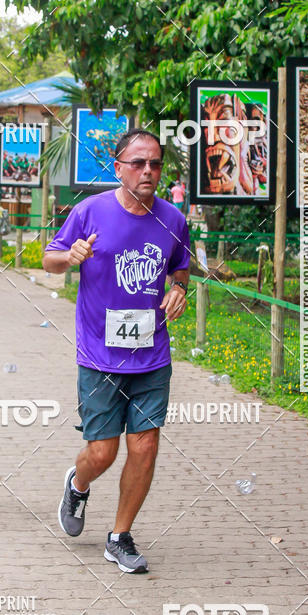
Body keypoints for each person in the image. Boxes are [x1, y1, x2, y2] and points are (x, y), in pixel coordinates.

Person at [44, 128, 190, 574]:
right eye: (139, 163)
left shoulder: (173, 220)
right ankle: (79, 482)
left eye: (156, 164)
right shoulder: (91, 211)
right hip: (99, 356)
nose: (149, 171)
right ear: (119, 167)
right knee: (102, 453)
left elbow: (180, 272)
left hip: (151, 355)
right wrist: (70, 257)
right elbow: (48, 259)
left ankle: (120, 536)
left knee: (144, 446)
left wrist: (179, 291)